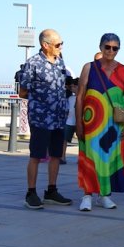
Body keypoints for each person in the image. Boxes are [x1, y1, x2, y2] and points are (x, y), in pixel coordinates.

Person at [76, 33, 124, 211]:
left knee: (110, 158)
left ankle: (104, 195)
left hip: (115, 123)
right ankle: (87, 195)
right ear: (101, 47)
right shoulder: (89, 67)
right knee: (90, 157)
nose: (111, 51)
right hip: (93, 122)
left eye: (115, 48)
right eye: (107, 47)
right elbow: (80, 95)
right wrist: (79, 122)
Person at [18, 29, 73, 209]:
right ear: (45, 45)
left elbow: (63, 84)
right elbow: (23, 91)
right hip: (41, 118)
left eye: (61, 44)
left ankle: (51, 191)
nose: (60, 47)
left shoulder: (60, 62)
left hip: (58, 117)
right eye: (57, 45)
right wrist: (41, 100)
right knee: (36, 155)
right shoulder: (33, 63)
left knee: (56, 155)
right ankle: (31, 193)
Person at [62, 76, 78, 165]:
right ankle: (62, 156)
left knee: (81, 141)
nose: (72, 88)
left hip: (78, 121)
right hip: (69, 121)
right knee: (65, 140)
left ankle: (80, 158)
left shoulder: (84, 98)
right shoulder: (70, 98)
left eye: (74, 86)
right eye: (71, 87)